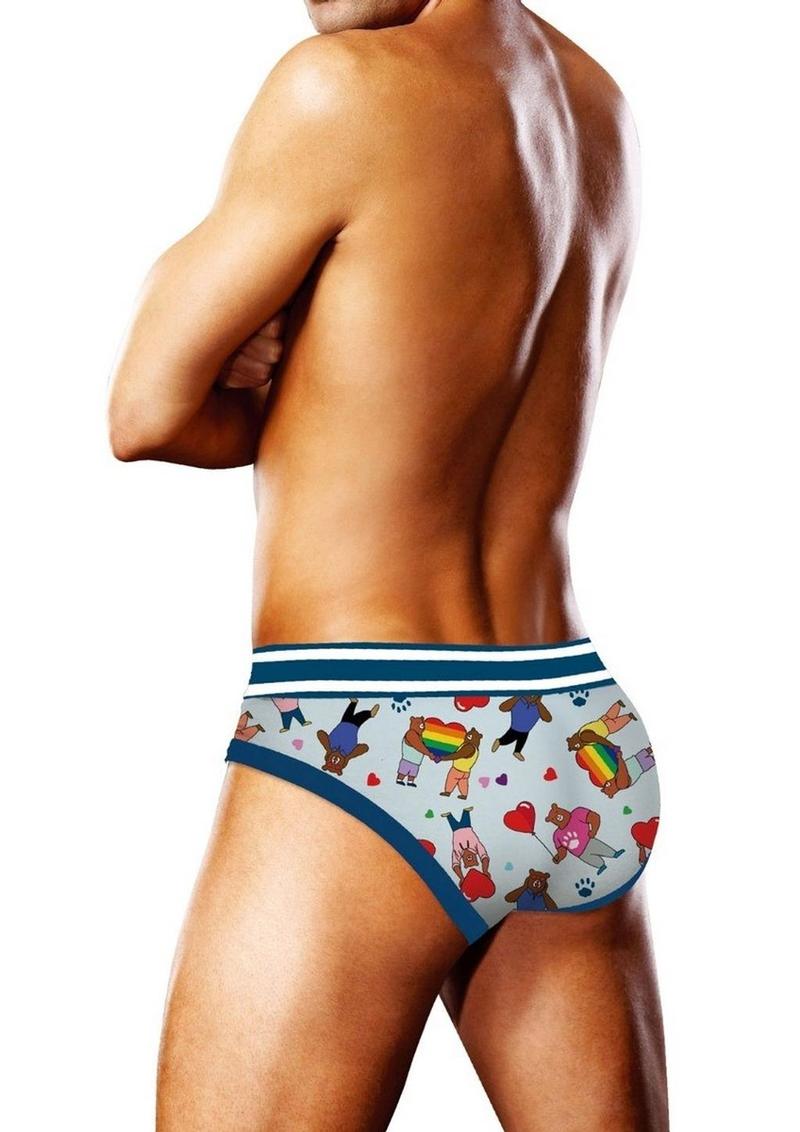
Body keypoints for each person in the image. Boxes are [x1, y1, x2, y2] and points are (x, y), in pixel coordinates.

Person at [108, 0, 667, 1127]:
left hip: (366, 732)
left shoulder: (341, 89)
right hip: (573, 734)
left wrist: (242, 350)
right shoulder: (597, 105)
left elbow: (144, 412)